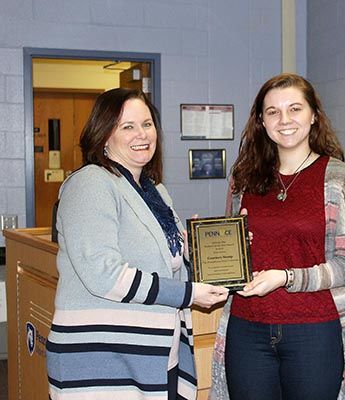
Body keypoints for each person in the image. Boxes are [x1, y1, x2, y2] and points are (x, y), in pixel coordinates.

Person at [46, 88, 230, 400]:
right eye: (127, 126)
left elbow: (165, 262)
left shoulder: (154, 190)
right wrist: (189, 294)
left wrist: (207, 247)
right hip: (102, 359)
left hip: (157, 354)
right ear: (104, 135)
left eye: (146, 124)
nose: (141, 134)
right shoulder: (90, 183)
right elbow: (105, 275)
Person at [210, 73, 345, 400]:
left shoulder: (337, 177)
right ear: (261, 122)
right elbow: (233, 253)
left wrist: (286, 277)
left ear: (313, 116)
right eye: (272, 112)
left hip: (314, 330)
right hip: (247, 328)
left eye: (295, 109)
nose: (284, 120)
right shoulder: (244, 179)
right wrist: (205, 247)